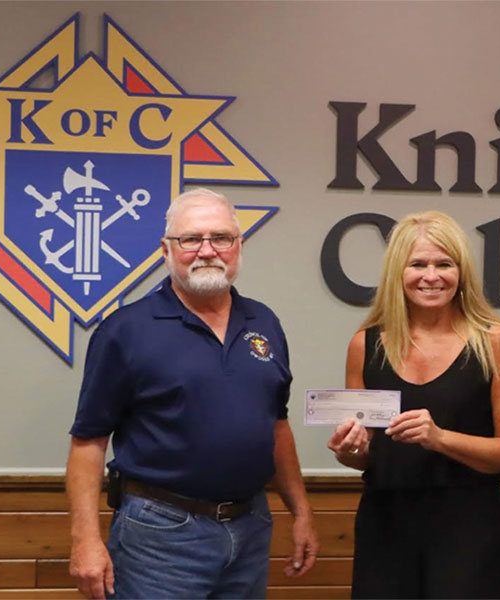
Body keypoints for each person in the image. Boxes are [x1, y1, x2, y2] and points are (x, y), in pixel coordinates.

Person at [66, 188, 318, 599]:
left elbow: (276, 425)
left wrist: (302, 511)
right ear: (166, 250)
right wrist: (85, 541)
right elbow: (88, 442)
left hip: (251, 526)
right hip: (160, 533)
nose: (207, 250)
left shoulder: (265, 322)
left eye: (221, 238)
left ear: (238, 246)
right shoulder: (126, 330)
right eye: (190, 239)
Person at [326, 210, 500, 599]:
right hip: (385, 523)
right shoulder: (365, 345)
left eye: (444, 264)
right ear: (397, 273)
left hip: (469, 527)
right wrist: (349, 450)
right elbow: (364, 455)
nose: (431, 276)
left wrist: (438, 438)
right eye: (418, 264)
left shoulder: (497, 343)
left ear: (462, 272)